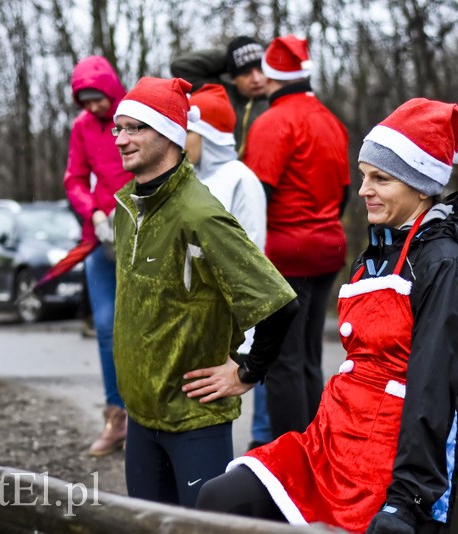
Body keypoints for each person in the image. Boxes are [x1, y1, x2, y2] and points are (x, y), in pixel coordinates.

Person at [196, 98, 458, 534]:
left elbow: (433, 388)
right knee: (221, 497)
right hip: (331, 438)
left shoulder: (443, 264)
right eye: (363, 177)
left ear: (420, 185)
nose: (363, 190)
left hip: (388, 458)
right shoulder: (379, 249)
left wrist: (407, 501)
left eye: (381, 179)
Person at [110, 76, 298, 507]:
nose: (121, 139)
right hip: (141, 415)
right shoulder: (127, 208)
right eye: (118, 128)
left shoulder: (201, 213)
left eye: (136, 127)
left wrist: (247, 371)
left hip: (194, 421)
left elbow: (279, 305)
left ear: (172, 134)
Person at [243, 34, 350, 440]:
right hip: (327, 250)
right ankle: (316, 446)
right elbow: (341, 195)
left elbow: (259, 197)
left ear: (271, 78)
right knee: (307, 355)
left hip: (287, 255)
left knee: (283, 361)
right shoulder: (331, 120)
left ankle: (294, 458)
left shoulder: (272, 123)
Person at [185, 83, 273, 449]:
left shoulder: (241, 180)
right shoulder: (189, 178)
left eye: (187, 132)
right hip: (191, 317)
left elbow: (251, 255)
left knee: (212, 406)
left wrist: (245, 342)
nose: (180, 140)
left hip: (224, 321)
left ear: (205, 134)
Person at [62, 56, 132, 457]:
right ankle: (116, 417)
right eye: (84, 101)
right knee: (105, 326)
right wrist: (92, 211)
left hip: (139, 234)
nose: (92, 108)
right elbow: (74, 178)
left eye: (97, 99)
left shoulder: (135, 116)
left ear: (109, 90)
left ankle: (147, 417)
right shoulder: (82, 128)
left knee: (140, 325)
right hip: (100, 238)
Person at [172, 36, 268, 159]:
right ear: (233, 78)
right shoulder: (220, 94)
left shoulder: (276, 100)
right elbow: (181, 66)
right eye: (246, 73)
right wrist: (232, 56)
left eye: (261, 70)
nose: (256, 79)